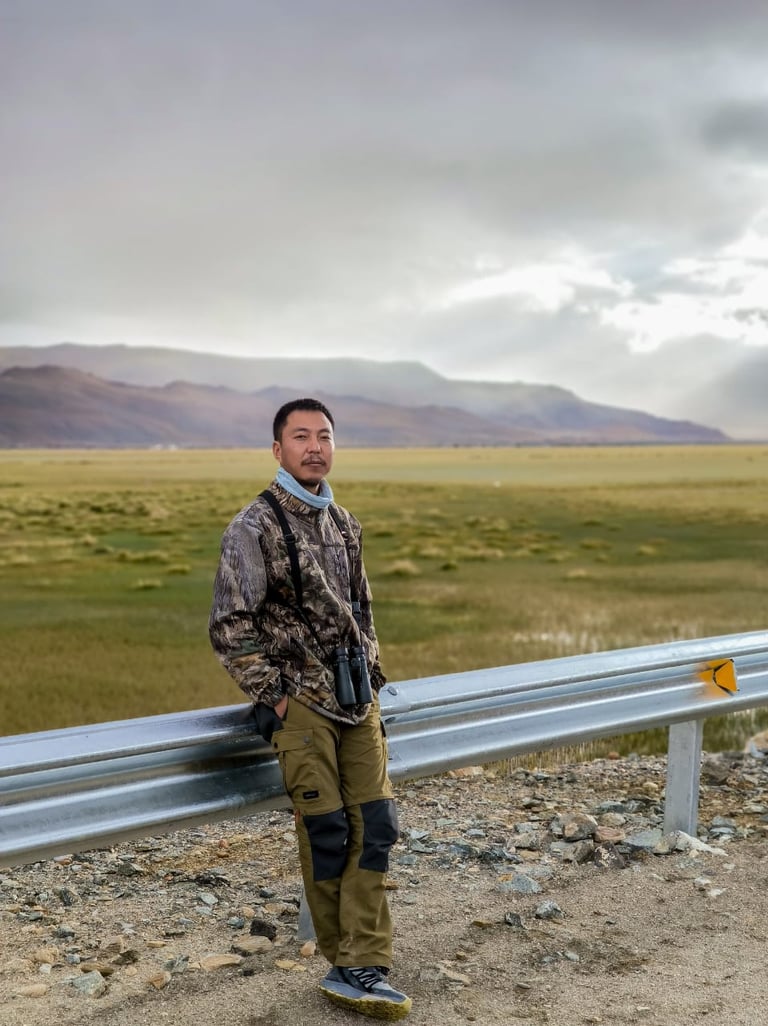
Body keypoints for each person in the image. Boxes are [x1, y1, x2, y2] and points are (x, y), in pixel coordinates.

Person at [209, 397, 411, 1021]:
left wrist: (371, 674)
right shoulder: (253, 527)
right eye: (300, 437)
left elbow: (363, 610)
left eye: (324, 436)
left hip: (357, 701)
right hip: (301, 707)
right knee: (327, 831)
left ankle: (366, 960)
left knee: (376, 825)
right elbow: (230, 627)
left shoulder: (344, 523)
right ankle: (347, 964)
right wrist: (275, 695)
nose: (314, 447)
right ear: (278, 450)